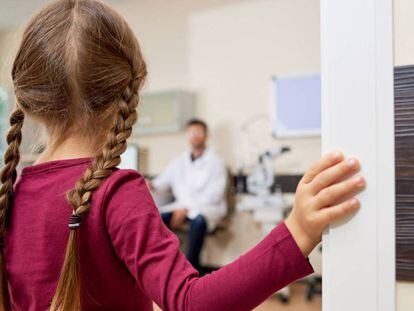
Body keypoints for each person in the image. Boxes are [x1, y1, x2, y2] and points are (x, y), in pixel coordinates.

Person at [0, 1, 365, 310]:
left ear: (31, 97)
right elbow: (190, 301)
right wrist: (298, 230)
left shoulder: (12, 195)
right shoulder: (115, 191)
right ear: (128, 93)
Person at [150, 118, 227, 270]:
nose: (195, 136)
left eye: (199, 132)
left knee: (198, 221)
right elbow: (162, 182)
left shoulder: (216, 162)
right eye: (192, 133)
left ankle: (192, 269)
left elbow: (215, 195)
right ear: (188, 136)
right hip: (182, 207)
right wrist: (150, 184)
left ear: (206, 135)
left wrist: (187, 209)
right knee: (156, 220)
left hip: (207, 208)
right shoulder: (179, 160)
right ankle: (159, 267)